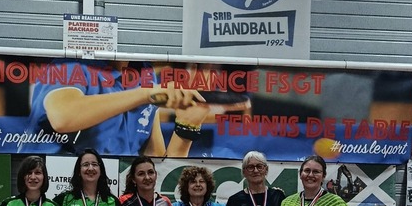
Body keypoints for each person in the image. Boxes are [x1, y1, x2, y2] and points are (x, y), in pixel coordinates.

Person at [27, 59, 249, 157]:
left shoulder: (145, 74)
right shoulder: (69, 66)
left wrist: (187, 125)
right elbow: (63, 117)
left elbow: (155, 160)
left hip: (120, 191)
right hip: (65, 188)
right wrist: (147, 94)